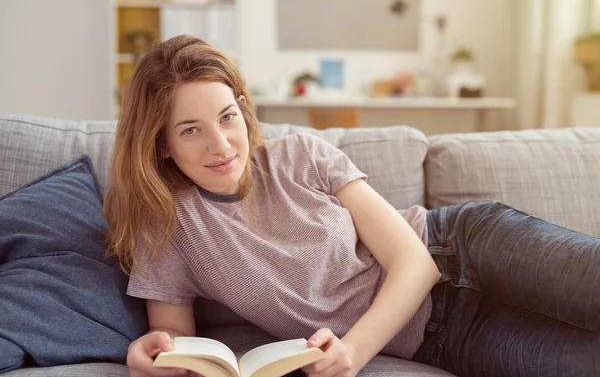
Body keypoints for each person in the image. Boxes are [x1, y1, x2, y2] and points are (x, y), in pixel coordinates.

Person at [104, 35, 600, 377]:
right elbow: (176, 343)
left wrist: (354, 352)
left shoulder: (301, 155)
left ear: (242, 106)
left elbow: (414, 261)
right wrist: (151, 355)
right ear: (161, 143)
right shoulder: (166, 226)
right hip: (446, 336)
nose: (221, 145)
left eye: (227, 117)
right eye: (191, 129)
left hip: (465, 246)